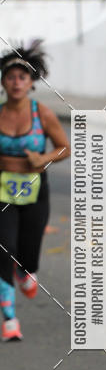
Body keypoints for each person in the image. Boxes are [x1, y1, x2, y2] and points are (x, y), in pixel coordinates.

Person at [0, 41, 70, 341]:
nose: (17, 83)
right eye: (11, 77)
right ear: (3, 81)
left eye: (22, 78)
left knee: (28, 258)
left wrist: (43, 159)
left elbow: (64, 147)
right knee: (4, 250)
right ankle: (9, 320)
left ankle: (25, 272)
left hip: (34, 192)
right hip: (1, 192)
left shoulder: (42, 114)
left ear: (31, 83)